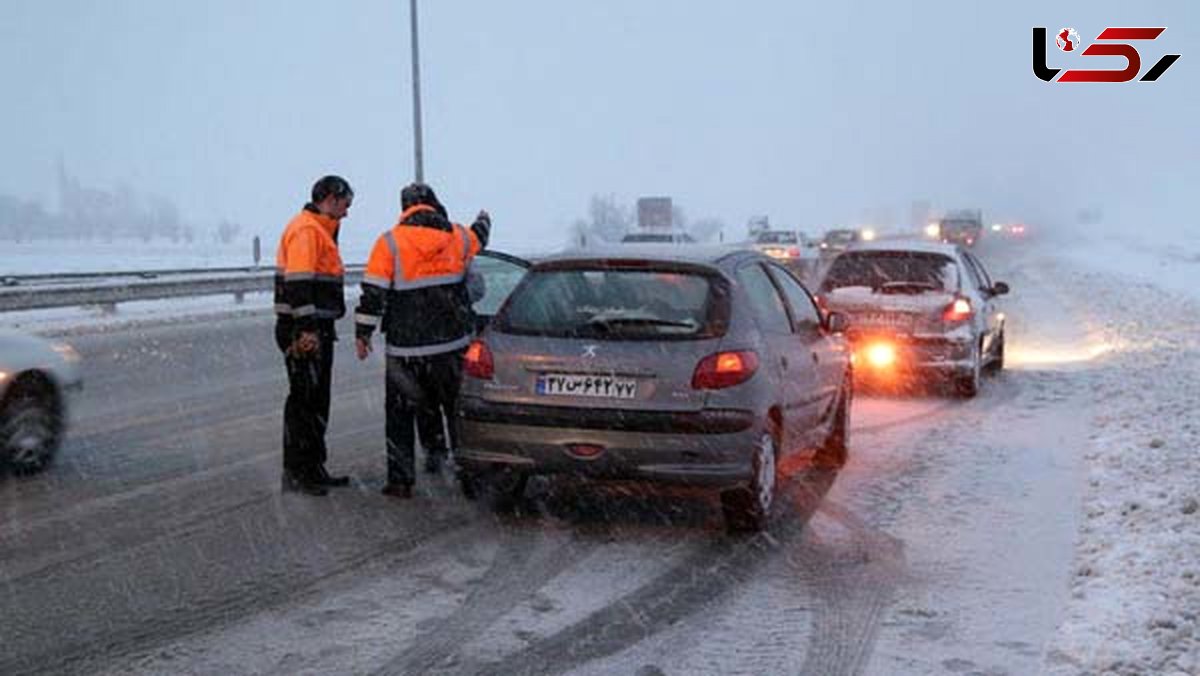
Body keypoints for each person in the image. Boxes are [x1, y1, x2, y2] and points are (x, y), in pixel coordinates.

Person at [354, 183, 490, 499]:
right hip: (451, 347)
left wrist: (363, 334)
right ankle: (470, 478)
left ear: (405, 209)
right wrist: (484, 219)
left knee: (400, 416)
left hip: (405, 351)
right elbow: (479, 237)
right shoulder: (457, 236)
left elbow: (372, 294)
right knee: (457, 413)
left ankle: (401, 480)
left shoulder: (389, 243)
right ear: (433, 204)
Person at [274, 175, 355, 496]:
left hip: (316, 328)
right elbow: (298, 283)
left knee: (316, 401)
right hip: (303, 330)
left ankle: (313, 468)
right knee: (304, 403)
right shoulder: (308, 230)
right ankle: (298, 472)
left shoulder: (320, 230)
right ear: (331, 199)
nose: (347, 212)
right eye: (346, 205)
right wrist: (306, 330)